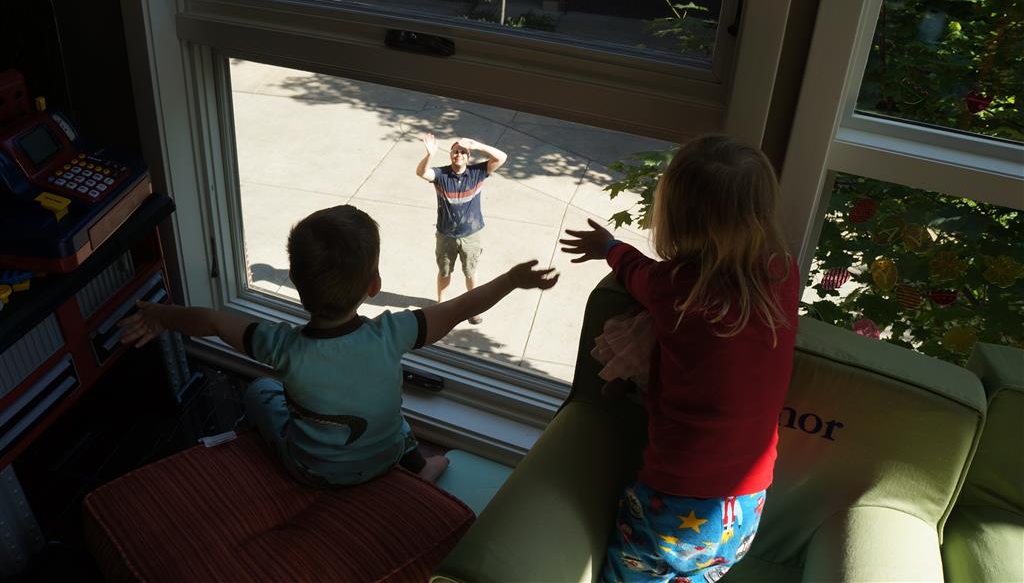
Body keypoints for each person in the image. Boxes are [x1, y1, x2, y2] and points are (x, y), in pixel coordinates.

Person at [118, 204, 557, 488]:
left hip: (313, 473)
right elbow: (461, 308)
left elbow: (212, 321)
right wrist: (511, 280)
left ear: (296, 284)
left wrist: (162, 316)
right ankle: (423, 468)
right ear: (374, 286)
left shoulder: (279, 345)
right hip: (386, 455)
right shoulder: (394, 332)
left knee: (259, 391)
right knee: (390, 414)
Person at [559, 135, 800, 583]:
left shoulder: (677, 287)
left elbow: (635, 272)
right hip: (747, 504)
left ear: (675, 215)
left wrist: (609, 246)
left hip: (674, 500)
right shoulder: (784, 274)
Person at [415, 132, 507, 324]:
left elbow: (502, 157)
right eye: (455, 151)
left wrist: (477, 144)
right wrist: (429, 155)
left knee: (470, 272)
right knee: (445, 271)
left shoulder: (477, 172)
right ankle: (441, 304)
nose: (458, 154)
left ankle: (473, 308)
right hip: (446, 235)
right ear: (451, 154)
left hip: (471, 235)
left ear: (468, 156)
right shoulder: (441, 175)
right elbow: (421, 173)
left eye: (463, 152)